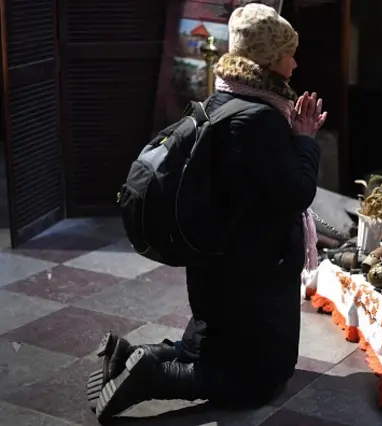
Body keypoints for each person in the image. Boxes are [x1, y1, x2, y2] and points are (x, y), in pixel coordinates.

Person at [86, 4, 327, 421]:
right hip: (253, 271)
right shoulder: (260, 120)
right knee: (257, 381)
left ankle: (132, 355)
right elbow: (295, 194)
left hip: (214, 259)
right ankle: (150, 377)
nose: (295, 61)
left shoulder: (226, 97)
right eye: (289, 52)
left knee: (206, 345)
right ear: (268, 59)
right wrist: (305, 141)